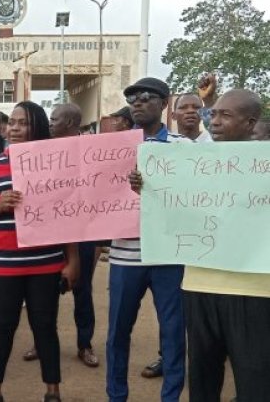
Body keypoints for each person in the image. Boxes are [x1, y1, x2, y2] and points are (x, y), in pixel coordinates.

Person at [0, 101, 80, 402]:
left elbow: (66, 215)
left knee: (45, 326)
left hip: (45, 263)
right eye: (13, 122)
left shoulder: (57, 166)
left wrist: (72, 261)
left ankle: (52, 391)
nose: (15, 128)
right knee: (3, 327)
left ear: (39, 128)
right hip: (2, 264)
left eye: (23, 123)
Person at [180, 90, 268, 402]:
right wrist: (147, 189)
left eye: (225, 116)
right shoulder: (191, 162)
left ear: (250, 122)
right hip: (199, 284)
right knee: (202, 377)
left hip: (254, 290)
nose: (215, 122)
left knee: (254, 379)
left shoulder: (266, 162)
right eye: (213, 114)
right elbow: (172, 210)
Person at [107, 77, 190, 402]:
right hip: (125, 255)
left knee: (172, 332)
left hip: (169, 254)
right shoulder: (111, 149)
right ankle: (116, 396)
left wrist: (156, 189)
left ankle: (170, 396)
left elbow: (200, 192)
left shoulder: (184, 147)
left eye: (145, 97)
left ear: (164, 103)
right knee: (117, 333)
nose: (137, 104)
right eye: (132, 100)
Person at [21, 103, 99, 369]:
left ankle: (84, 344)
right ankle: (41, 342)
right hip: (49, 231)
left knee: (82, 290)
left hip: (82, 231)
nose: (50, 123)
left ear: (71, 122)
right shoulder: (41, 150)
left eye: (55, 118)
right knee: (43, 294)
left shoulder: (93, 150)